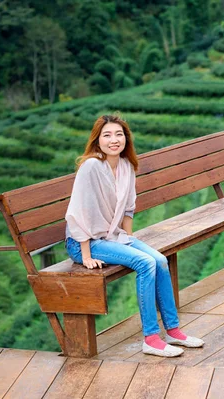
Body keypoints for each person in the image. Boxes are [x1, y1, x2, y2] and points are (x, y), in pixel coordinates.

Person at [64, 114, 204, 357]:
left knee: (159, 260)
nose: (114, 140)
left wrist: (128, 240)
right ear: (98, 141)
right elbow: (78, 212)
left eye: (119, 134)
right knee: (145, 262)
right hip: (84, 242)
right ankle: (150, 338)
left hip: (113, 236)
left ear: (126, 139)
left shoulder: (127, 167)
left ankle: (172, 330)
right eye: (107, 135)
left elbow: (128, 208)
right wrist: (85, 255)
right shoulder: (91, 167)